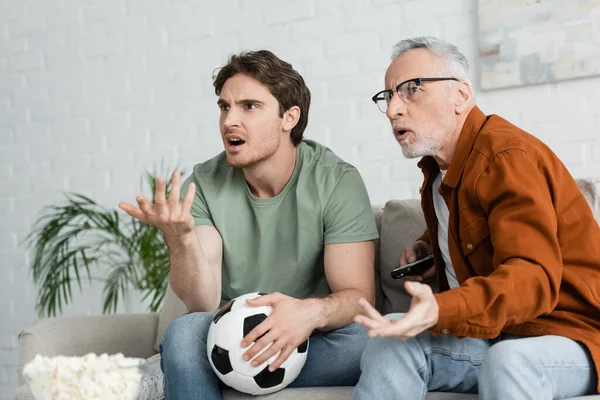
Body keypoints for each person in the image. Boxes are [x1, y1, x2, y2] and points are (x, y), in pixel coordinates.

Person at [119, 50, 379, 399]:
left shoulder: (336, 180)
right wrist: (180, 241)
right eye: (225, 107)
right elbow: (202, 302)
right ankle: (194, 363)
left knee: (368, 341)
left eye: (249, 106)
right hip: (228, 333)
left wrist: (309, 313)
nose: (229, 121)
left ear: (289, 117)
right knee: (184, 334)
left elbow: (359, 297)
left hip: (310, 335)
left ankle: (186, 371)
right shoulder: (206, 182)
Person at [352, 36, 600, 400]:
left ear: (461, 96)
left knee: (509, 361)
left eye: (411, 90)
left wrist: (441, 308)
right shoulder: (440, 172)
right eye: (388, 96)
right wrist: (429, 247)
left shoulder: (506, 156)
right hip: (493, 334)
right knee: (393, 334)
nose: (393, 110)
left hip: (567, 336)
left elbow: (533, 277)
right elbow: (483, 225)